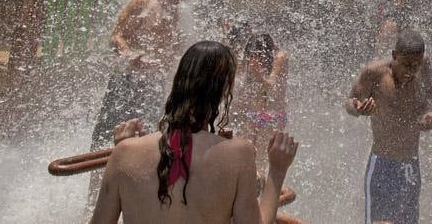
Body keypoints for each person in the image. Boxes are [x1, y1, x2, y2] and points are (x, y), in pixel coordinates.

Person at [90, 41, 298, 224]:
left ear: (177, 83)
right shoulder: (238, 153)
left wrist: (123, 152)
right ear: (225, 92)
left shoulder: (125, 152)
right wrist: (277, 170)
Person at [89, 0, 191, 204]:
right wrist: (133, 57)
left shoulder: (173, 15)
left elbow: (171, 52)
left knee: (149, 139)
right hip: (125, 79)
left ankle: (132, 198)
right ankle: (93, 197)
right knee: (106, 134)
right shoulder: (141, 3)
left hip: (152, 84)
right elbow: (116, 37)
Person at [345, 29, 432, 224]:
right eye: (406, 65)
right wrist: (359, 108)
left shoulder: (424, 66)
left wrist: (429, 114)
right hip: (382, 165)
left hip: (410, 165)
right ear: (394, 55)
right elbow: (350, 102)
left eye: (416, 65)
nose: (411, 71)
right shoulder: (374, 73)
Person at [229, 23, 290, 164]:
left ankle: (264, 185)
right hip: (254, 114)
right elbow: (240, 83)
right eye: (252, 55)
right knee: (245, 158)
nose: (256, 59)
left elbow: (271, 84)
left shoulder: (280, 57)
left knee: (261, 161)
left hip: (273, 117)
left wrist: (260, 77)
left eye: (259, 56)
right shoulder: (252, 60)